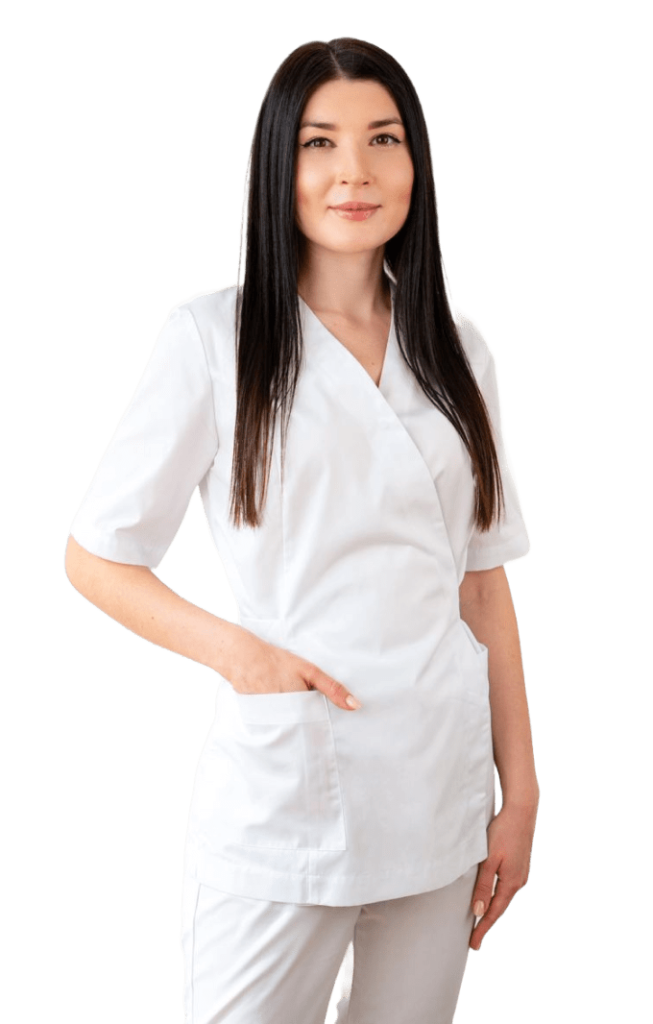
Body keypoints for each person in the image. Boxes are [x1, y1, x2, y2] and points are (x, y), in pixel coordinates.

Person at [64, 35, 539, 1024]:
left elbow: (480, 581)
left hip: (435, 790)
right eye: (319, 143)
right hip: (285, 790)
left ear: (417, 165)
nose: (353, 171)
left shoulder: (460, 345)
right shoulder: (211, 338)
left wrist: (521, 787)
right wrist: (242, 656)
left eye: (382, 139)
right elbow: (97, 556)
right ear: (276, 167)